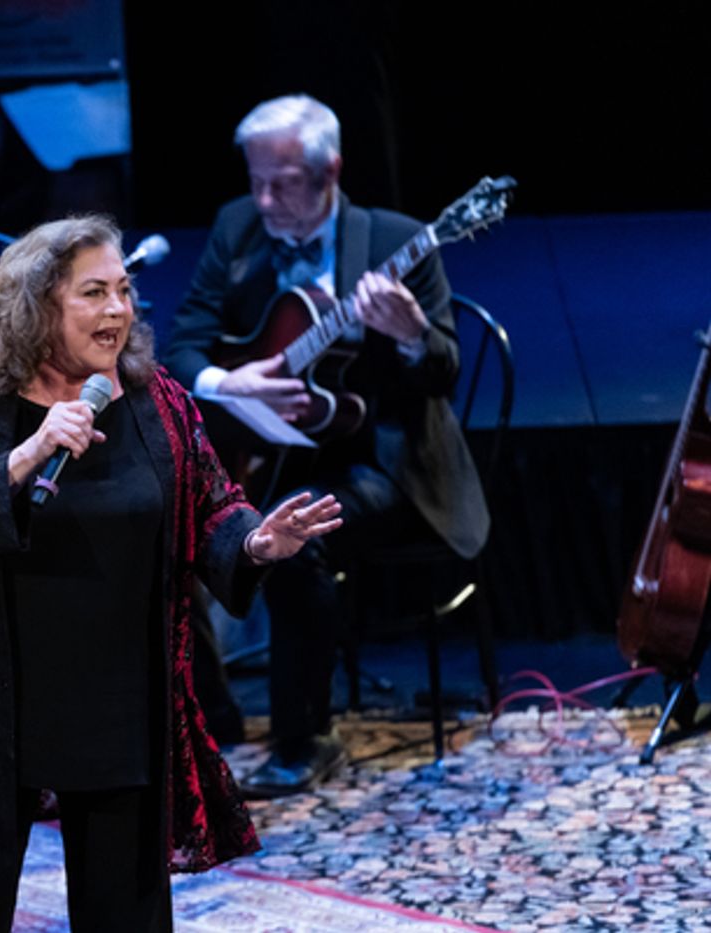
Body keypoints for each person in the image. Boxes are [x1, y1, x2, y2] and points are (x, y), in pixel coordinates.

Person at [0, 215, 341, 931]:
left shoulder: (155, 399)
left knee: (124, 915)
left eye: (125, 292)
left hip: (119, 700)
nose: (117, 311)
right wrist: (30, 451)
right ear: (38, 306)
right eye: (94, 293)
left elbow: (209, 506)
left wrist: (256, 542)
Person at [162, 94, 489, 798]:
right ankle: (211, 716)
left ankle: (301, 738)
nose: (265, 197)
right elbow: (183, 341)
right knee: (161, 513)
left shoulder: (400, 240)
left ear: (330, 170)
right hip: (269, 448)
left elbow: (443, 371)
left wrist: (409, 333)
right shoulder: (238, 226)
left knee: (295, 532)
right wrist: (229, 380)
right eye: (256, 180)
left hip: (382, 460)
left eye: (283, 183)